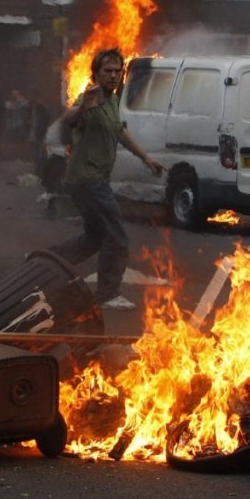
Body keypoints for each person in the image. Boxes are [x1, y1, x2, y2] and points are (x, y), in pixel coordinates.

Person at [50, 48, 164, 311]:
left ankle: (47, 263)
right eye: (107, 71)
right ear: (96, 74)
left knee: (95, 236)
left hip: (92, 179)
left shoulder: (113, 99)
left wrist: (146, 158)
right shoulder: (90, 97)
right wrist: (83, 110)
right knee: (117, 236)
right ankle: (108, 293)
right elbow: (69, 119)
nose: (113, 75)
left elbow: (119, 132)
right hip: (87, 180)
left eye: (117, 71)